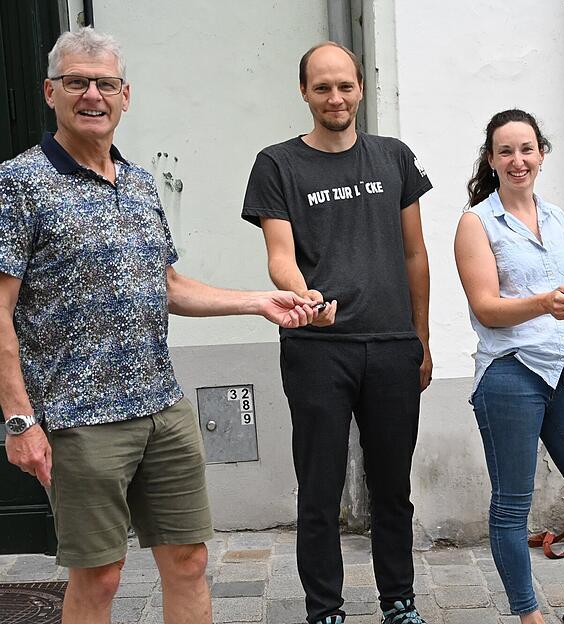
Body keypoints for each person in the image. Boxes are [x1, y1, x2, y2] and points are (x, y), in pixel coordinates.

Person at [0, 27, 318, 624]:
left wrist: (258, 301)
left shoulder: (141, 184)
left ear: (126, 95)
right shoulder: (18, 184)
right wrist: (19, 419)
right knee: (99, 576)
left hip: (162, 407)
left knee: (190, 560)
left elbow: (167, 286)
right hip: (78, 418)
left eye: (106, 83)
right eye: (77, 82)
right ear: (50, 92)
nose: (92, 94)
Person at [241, 41, 432, 624]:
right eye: (322, 87)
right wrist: (304, 299)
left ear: (360, 88)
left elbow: (415, 254)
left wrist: (420, 339)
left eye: (344, 85)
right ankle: (324, 608)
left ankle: (399, 601)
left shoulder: (393, 158)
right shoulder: (278, 164)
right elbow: (280, 256)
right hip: (317, 349)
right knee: (320, 492)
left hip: (392, 347)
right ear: (304, 92)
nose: (335, 97)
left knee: (393, 489)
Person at [454, 109, 564, 624]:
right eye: (506, 151)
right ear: (491, 160)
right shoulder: (476, 223)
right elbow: (486, 308)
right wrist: (543, 303)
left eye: (527, 149)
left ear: (542, 154)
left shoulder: (557, 217)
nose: (517, 160)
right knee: (512, 504)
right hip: (510, 374)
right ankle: (528, 615)